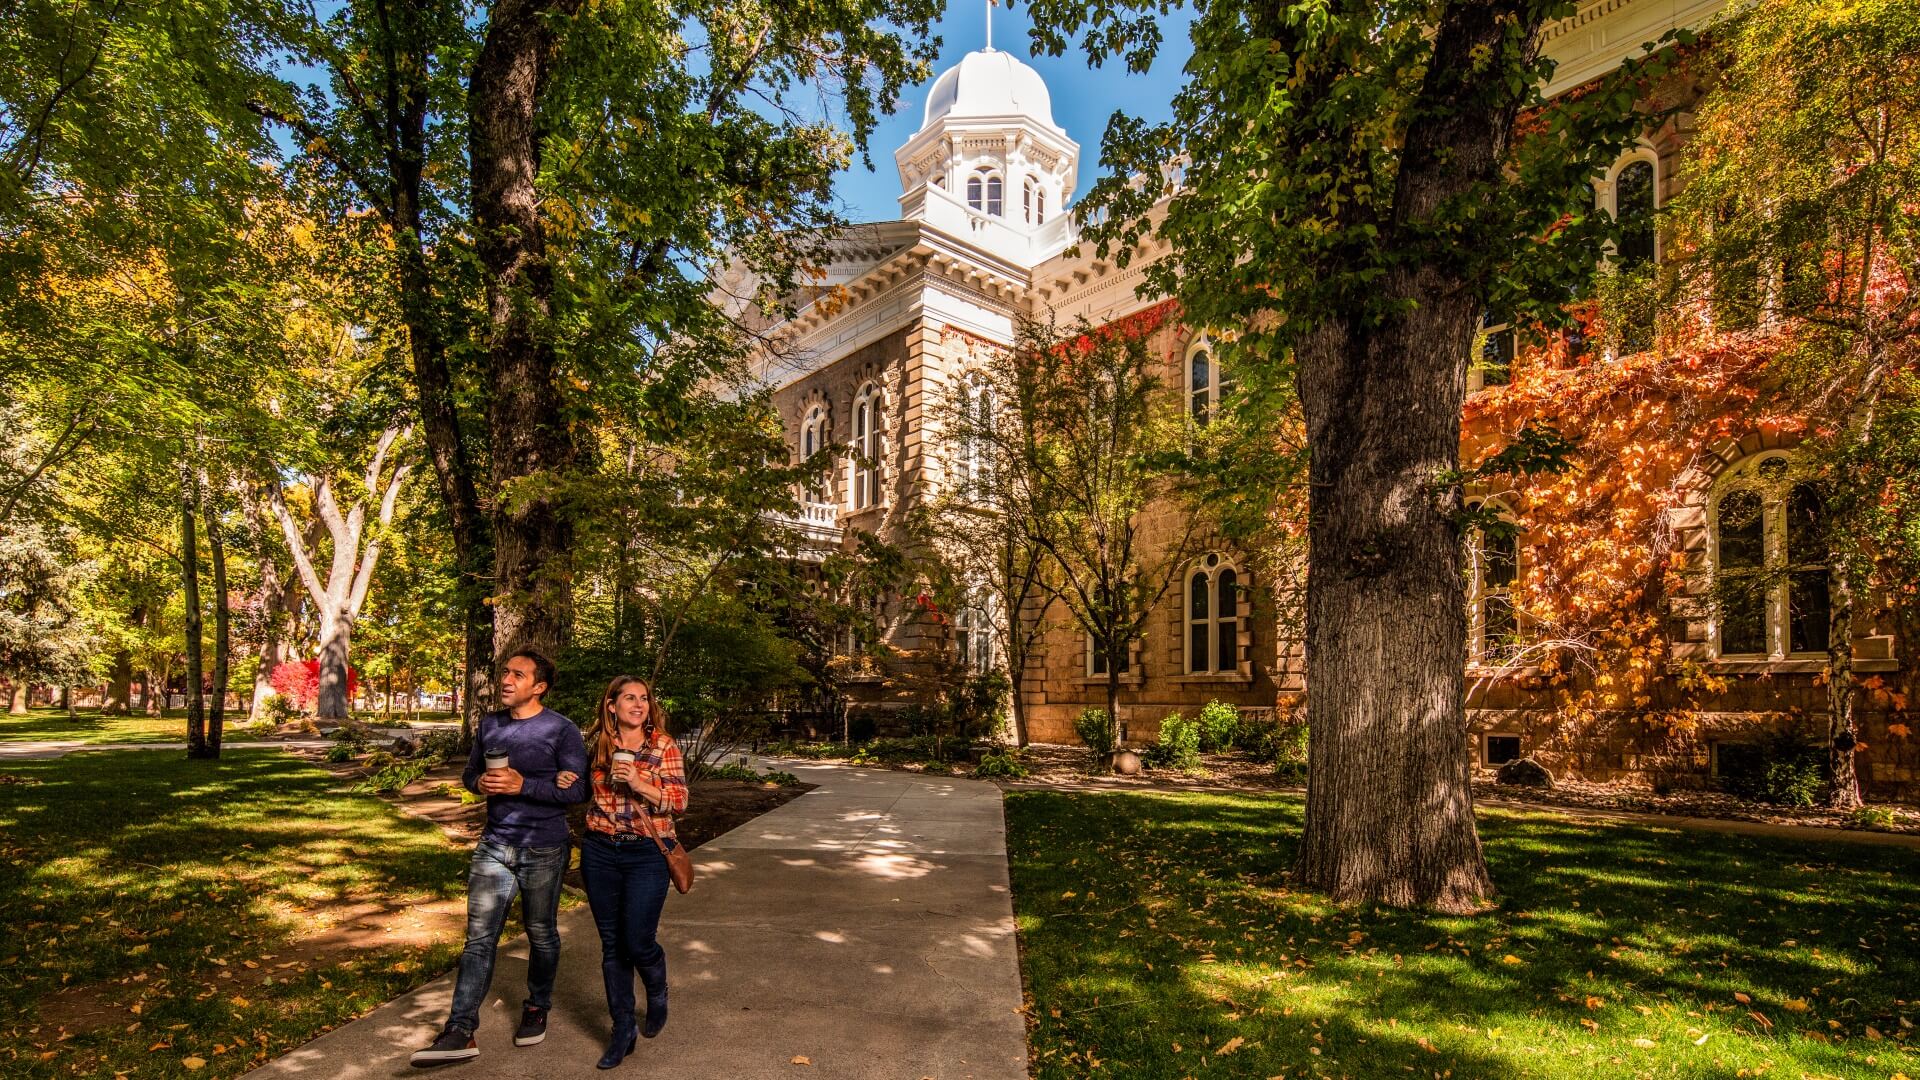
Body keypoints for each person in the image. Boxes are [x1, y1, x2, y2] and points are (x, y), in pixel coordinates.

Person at [411, 650, 589, 1066]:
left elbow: (577, 792)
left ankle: (536, 1005)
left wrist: (523, 783)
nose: (506, 679)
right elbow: (470, 774)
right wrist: (482, 784)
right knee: (479, 939)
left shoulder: (561, 730)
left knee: (541, 933)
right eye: (505, 672)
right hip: (494, 844)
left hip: (544, 847)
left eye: (518, 674)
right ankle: (459, 1030)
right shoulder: (490, 724)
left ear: (539, 686)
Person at [580, 674, 689, 1068]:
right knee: (612, 946)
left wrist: (640, 782)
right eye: (629, 698)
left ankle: (657, 989)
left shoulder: (663, 745)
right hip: (599, 851)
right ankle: (622, 1026)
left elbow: (678, 802)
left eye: (644, 698)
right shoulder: (596, 745)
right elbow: (580, 791)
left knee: (638, 941)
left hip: (646, 852)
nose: (639, 704)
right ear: (612, 705)